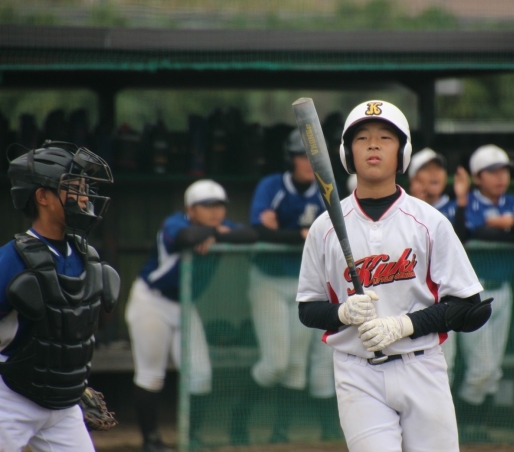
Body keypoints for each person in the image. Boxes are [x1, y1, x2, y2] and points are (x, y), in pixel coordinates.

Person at [297, 100, 491, 451]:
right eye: (362, 138)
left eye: (385, 137)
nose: (373, 145)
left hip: (422, 366)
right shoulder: (324, 228)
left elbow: (470, 306)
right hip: (357, 372)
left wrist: (403, 325)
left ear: (402, 152)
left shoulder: (429, 222)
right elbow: (308, 309)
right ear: (347, 153)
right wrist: (342, 313)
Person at [0, 141, 118, 451]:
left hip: (63, 404)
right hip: (10, 397)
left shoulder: (86, 256)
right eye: (74, 188)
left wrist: (66, 380)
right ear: (43, 197)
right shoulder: (12, 259)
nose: (84, 197)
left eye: (85, 188)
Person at [126, 179, 257, 452]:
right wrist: (216, 233)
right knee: (151, 374)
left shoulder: (219, 226)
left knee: (200, 374)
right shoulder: (175, 222)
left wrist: (213, 234)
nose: (215, 211)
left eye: (219, 205)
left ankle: (191, 438)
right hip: (151, 301)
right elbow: (186, 238)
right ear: (190, 209)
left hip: (185, 305)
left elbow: (250, 235)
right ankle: (151, 441)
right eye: (207, 206)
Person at [234, 128, 327, 445]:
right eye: (302, 156)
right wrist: (301, 234)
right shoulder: (272, 185)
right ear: (291, 159)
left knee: (296, 365)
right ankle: (237, 421)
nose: (308, 163)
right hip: (269, 281)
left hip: (304, 283)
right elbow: (259, 231)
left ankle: (281, 434)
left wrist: (285, 231)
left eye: (312, 157)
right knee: (275, 363)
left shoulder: (325, 189)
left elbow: (326, 235)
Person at [458, 144, 514, 438]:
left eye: (504, 171)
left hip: (503, 291)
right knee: (481, 368)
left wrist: (510, 224)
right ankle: (464, 427)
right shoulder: (469, 203)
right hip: (473, 294)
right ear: (477, 177)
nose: (501, 177)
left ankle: (477, 428)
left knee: (493, 369)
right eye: (492, 171)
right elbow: (472, 231)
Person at [408, 148, 471, 382]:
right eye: (426, 169)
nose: (434, 174)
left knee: (447, 364)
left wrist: (462, 201)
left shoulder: (456, 207)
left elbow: (462, 239)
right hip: (413, 297)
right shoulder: (404, 209)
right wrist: (416, 202)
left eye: (439, 168)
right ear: (414, 178)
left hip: (448, 298)